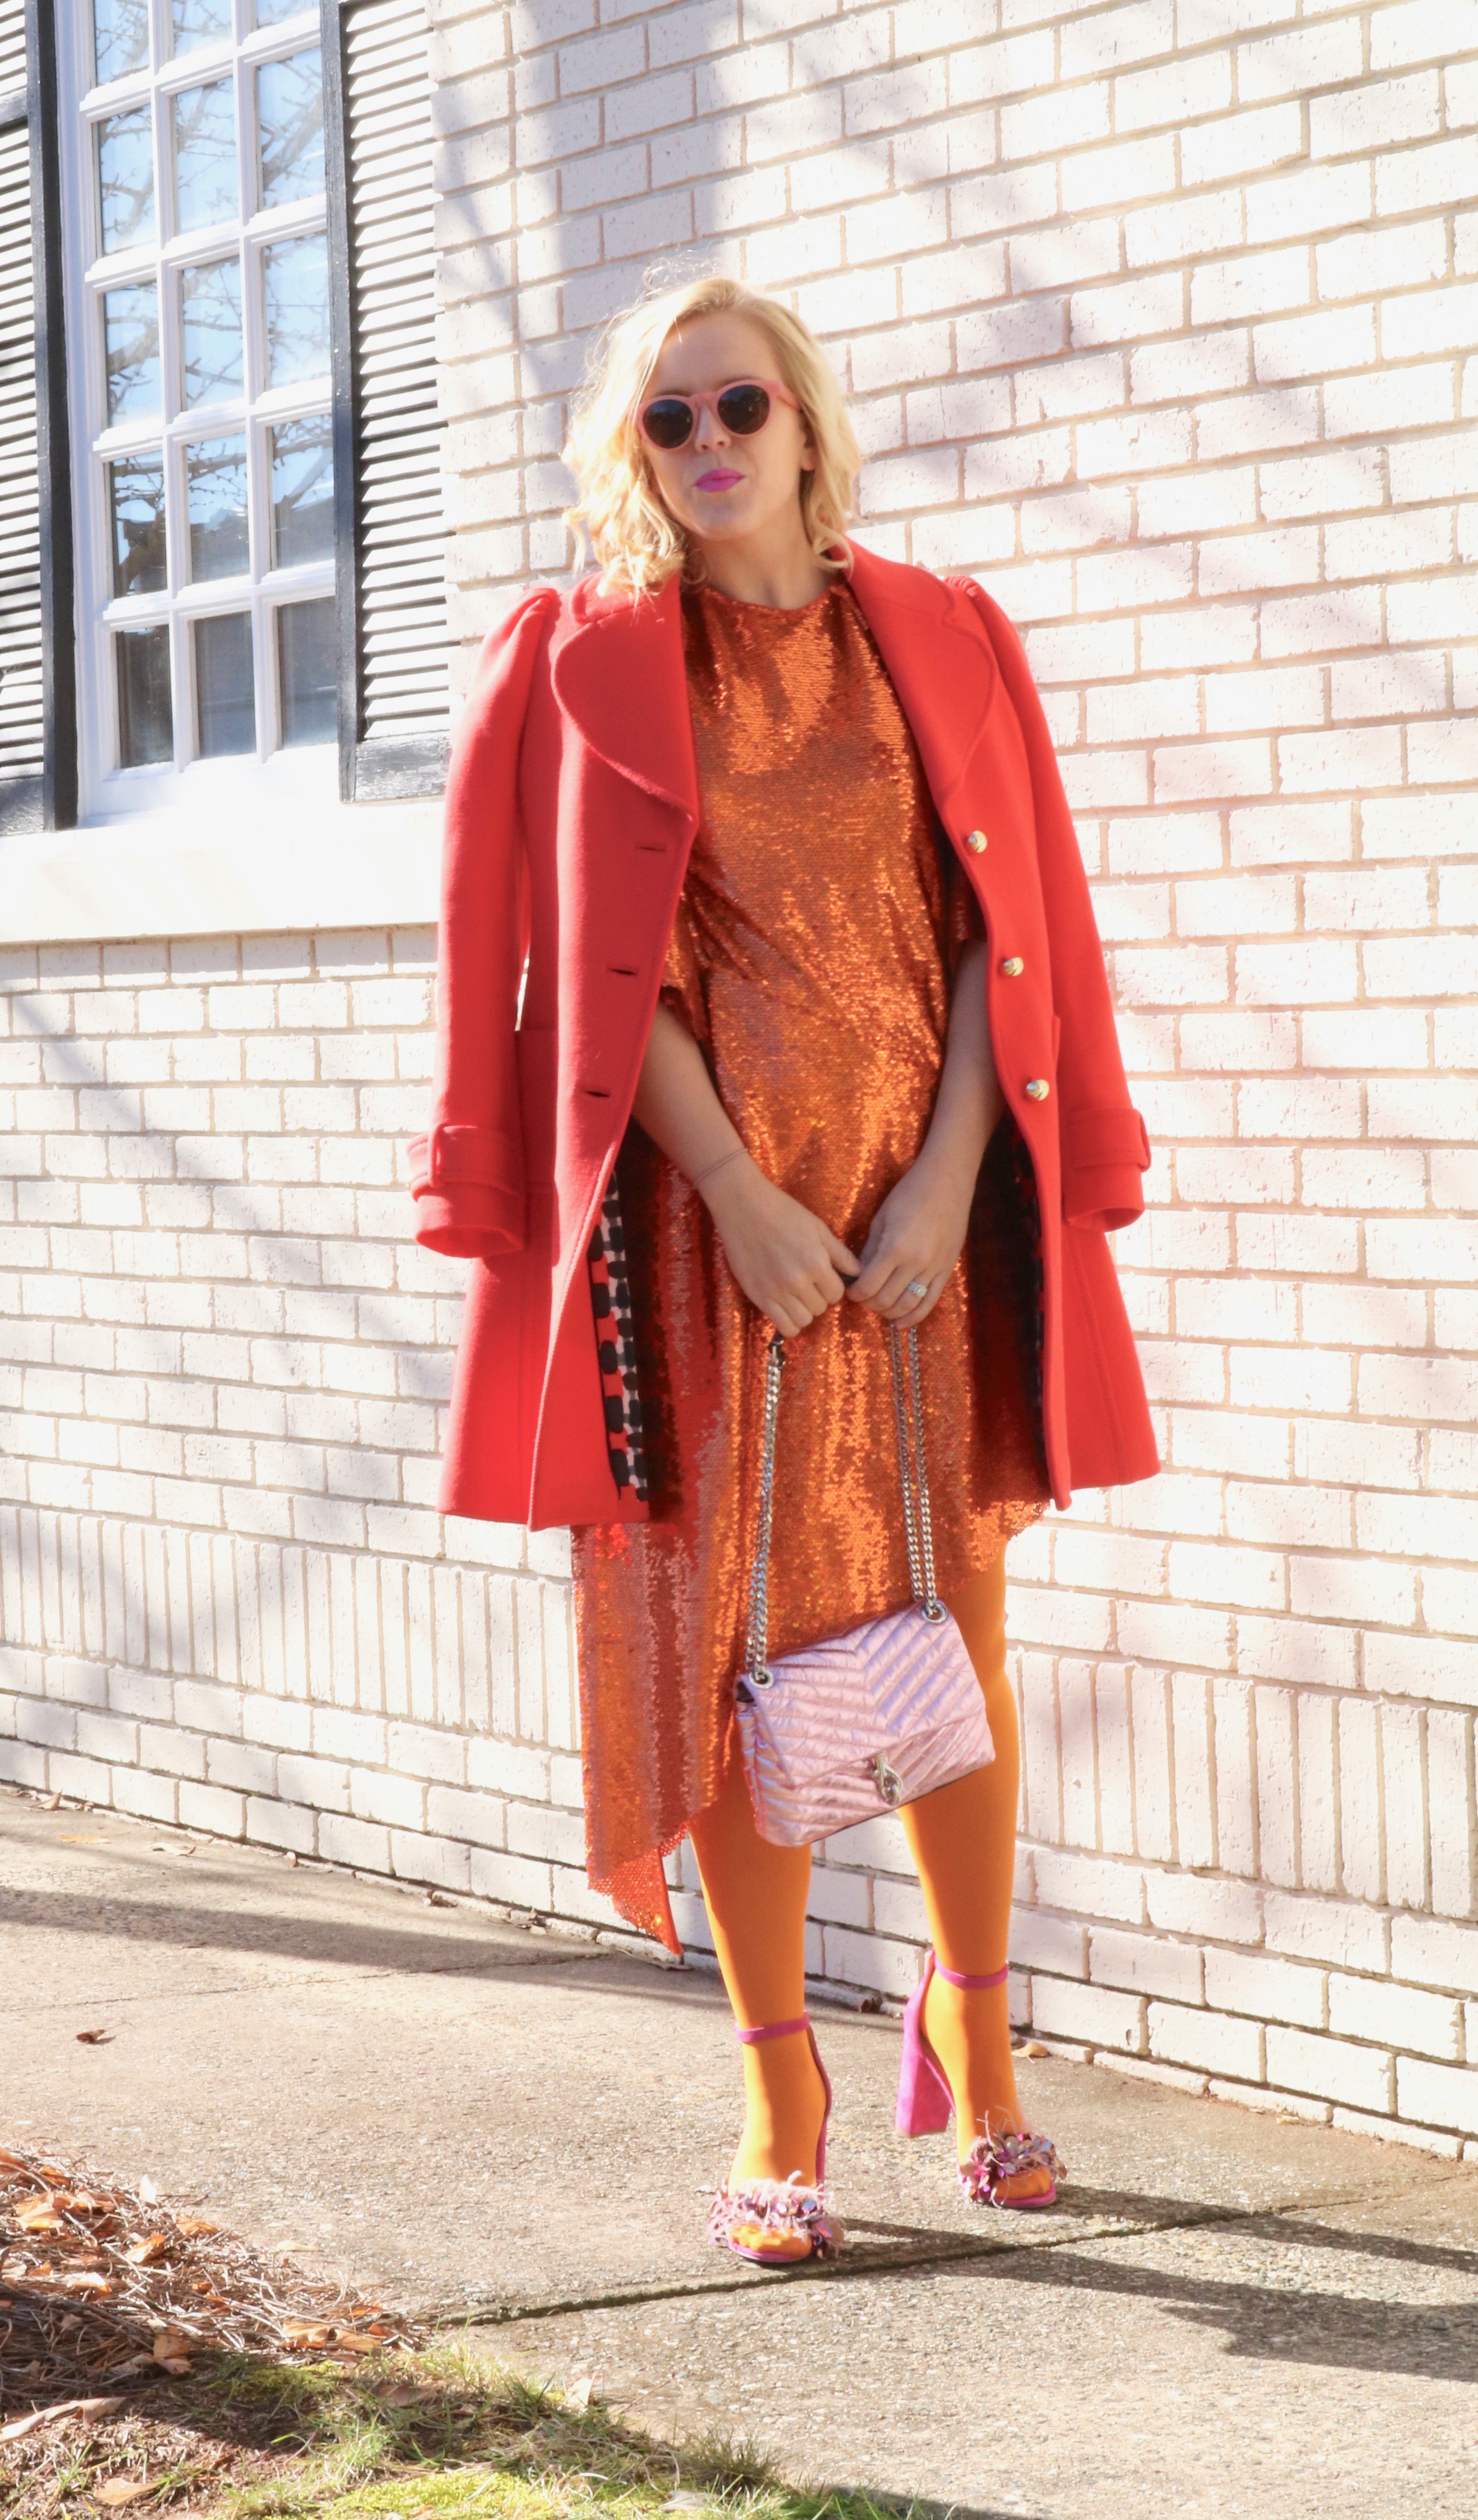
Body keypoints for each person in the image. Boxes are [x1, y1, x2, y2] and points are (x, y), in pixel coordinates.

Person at [407, 276, 1157, 2262]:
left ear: (807, 423)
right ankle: (779, 2076)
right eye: (667, 419)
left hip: (928, 1230)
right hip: (705, 1236)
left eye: (739, 403)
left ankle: (980, 2057)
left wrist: (945, 1184)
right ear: (629, 453)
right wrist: (738, 1187)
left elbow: (1011, 932)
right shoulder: (580, 660)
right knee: (725, 1663)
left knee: (948, 1631)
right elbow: (584, 974)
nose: (710, 439)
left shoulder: (940, 634)